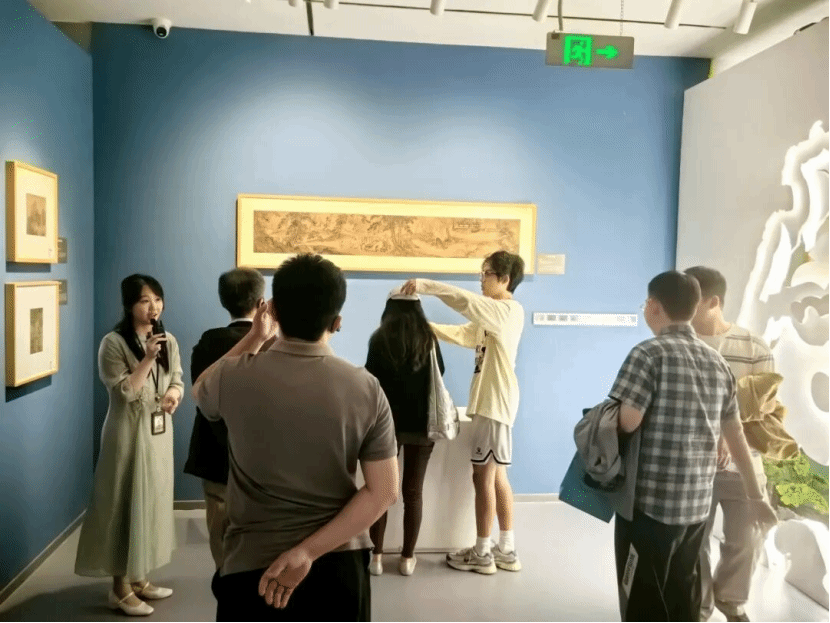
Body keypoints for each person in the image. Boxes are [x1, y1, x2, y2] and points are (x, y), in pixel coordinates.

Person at [193, 254, 399, 621]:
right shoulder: (366, 388)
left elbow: (200, 391)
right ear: (337, 321)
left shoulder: (232, 377)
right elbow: (383, 491)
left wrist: (256, 336)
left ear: (272, 309)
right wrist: (307, 552)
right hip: (339, 564)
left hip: (253, 567)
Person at [608, 271, 777, 622]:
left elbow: (628, 421)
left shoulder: (647, 354)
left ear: (654, 306)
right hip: (696, 505)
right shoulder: (717, 363)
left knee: (642, 594)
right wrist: (756, 494)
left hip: (650, 503)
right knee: (683, 590)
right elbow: (736, 434)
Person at [401, 249, 525, 575]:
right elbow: (464, 333)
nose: (481, 280)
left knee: (482, 477)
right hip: (492, 404)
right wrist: (424, 327)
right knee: (496, 476)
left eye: (486, 274)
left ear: (505, 279)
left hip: (494, 404)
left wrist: (425, 285)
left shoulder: (506, 311)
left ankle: (482, 552)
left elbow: (464, 301)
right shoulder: (492, 319)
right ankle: (506, 549)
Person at [75, 274, 184, 617]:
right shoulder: (112, 343)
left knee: (151, 500)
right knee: (123, 502)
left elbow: (177, 378)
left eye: (157, 299)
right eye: (144, 300)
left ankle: (139, 578)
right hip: (125, 433)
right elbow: (123, 392)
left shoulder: (168, 339)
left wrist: (173, 394)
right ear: (129, 305)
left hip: (158, 432)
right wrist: (148, 358)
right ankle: (119, 588)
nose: (154, 307)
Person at [685, 266, 775, 623]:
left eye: (691, 299)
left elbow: (764, 408)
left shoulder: (753, 346)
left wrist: (727, 435)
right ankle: (700, 605)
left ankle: (731, 599)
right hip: (694, 465)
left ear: (713, 302)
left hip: (744, 462)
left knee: (746, 538)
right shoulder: (682, 346)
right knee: (694, 542)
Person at [184, 268, 271, 570]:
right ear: (261, 302)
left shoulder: (209, 342)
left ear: (223, 301)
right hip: (263, 460)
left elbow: (199, 390)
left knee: (221, 540)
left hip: (216, 456)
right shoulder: (274, 345)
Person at [364, 289, 446, 577]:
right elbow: (440, 373)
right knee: (413, 492)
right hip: (422, 427)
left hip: (386, 426)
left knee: (381, 492)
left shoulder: (379, 339)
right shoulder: (428, 339)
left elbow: (370, 380)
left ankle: (376, 556)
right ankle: (407, 558)